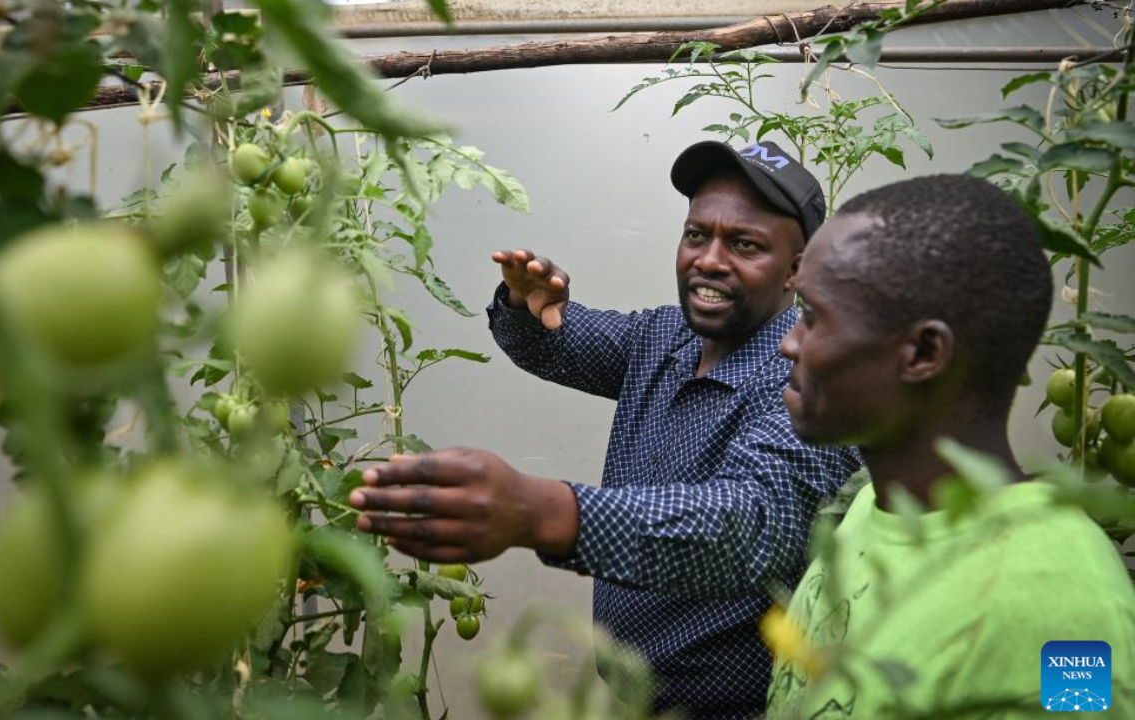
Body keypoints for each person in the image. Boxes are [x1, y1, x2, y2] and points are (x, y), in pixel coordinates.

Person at [350, 140, 862, 720]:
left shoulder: (809, 384)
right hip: (630, 698)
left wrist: (541, 511)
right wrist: (526, 306)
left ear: (796, 268)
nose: (710, 260)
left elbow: (747, 524)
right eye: (697, 235)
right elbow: (558, 344)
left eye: (744, 244)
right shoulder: (665, 339)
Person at [765, 174, 1135, 718]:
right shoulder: (877, 508)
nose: (787, 343)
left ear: (922, 352)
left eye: (813, 316)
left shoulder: (1068, 603)